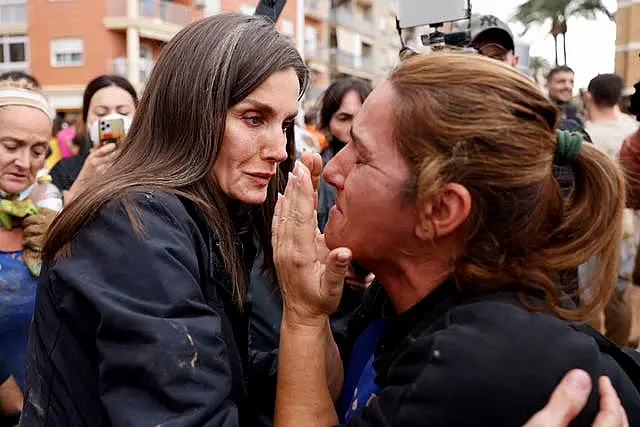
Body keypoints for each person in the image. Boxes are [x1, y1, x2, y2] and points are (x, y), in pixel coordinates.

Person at [272, 53, 640, 426]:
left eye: (363, 157)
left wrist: (301, 317)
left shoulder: (471, 365)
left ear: (441, 210)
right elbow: (340, 396)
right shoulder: (402, 293)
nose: (334, 170)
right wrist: (311, 312)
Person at [20, 13, 317, 427]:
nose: (279, 149)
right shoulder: (132, 226)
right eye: (254, 119)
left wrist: (313, 312)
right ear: (190, 110)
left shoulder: (199, 214)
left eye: (284, 125)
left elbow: (230, 376)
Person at [0, 75, 58, 418]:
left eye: (38, 151)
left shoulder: (49, 209)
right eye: (11, 146)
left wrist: (64, 245)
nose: (25, 162)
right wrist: (17, 409)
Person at [582, 74, 639, 346]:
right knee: (619, 291)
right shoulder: (632, 128)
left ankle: (597, 353)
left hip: (592, 225)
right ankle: (619, 350)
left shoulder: (584, 134)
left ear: (588, 96)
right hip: (626, 224)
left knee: (589, 295)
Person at [49, 74, 137, 202]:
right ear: (86, 121)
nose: (112, 119)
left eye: (123, 112)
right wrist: (84, 181)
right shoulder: (64, 169)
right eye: (101, 113)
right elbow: (49, 218)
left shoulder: (155, 166)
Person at [316, 77, 372, 232]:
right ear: (328, 123)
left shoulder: (390, 172)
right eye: (344, 118)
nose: (354, 127)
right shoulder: (315, 172)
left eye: (362, 117)